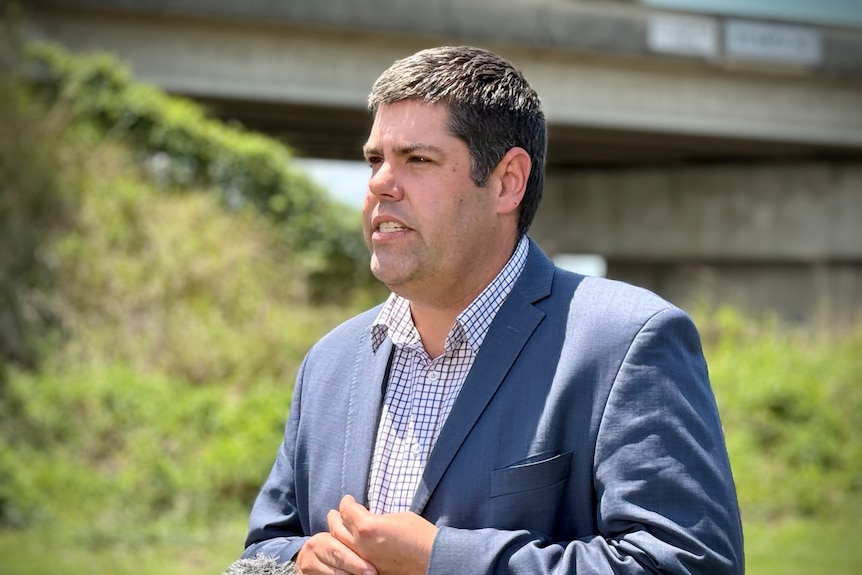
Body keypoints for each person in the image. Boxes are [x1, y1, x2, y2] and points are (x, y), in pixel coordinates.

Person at [239, 45, 744, 575]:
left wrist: (442, 560)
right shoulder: (331, 360)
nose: (379, 184)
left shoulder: (627, 341)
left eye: (417, 160)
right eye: (374, 160)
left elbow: (689, 564)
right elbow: (261, 551)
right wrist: (300, 563)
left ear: (507, 182)